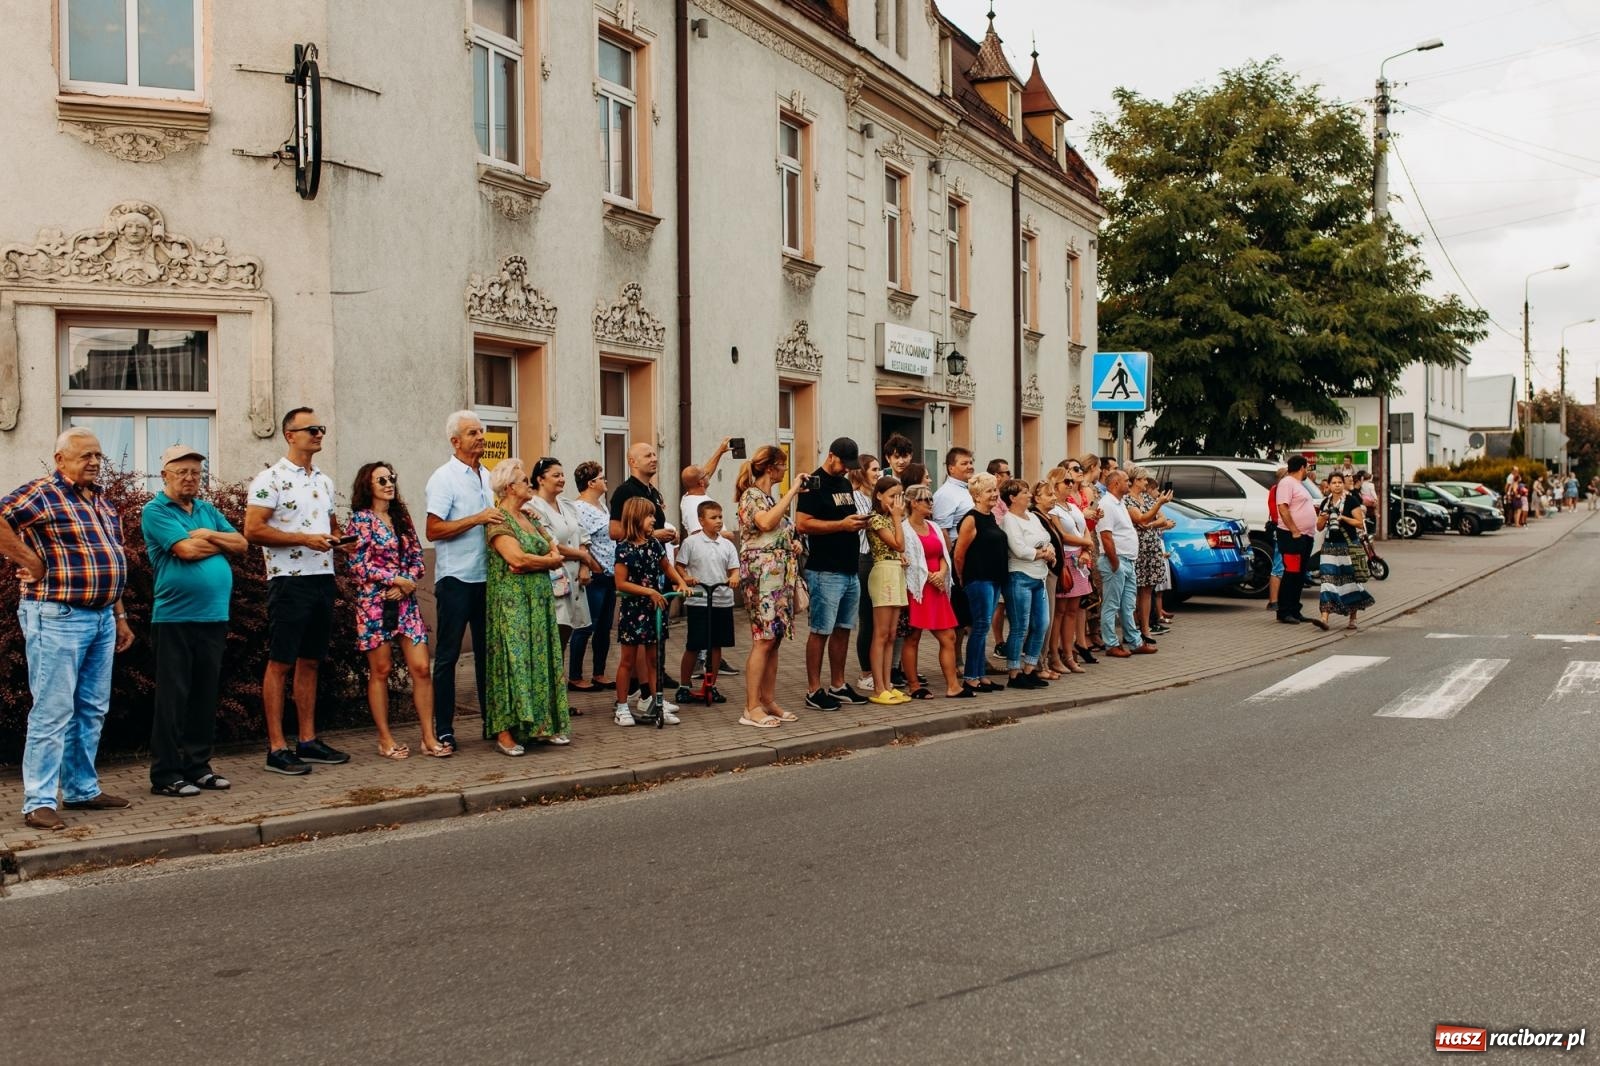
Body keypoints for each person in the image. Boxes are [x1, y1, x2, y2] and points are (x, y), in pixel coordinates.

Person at [0, 429, 135, 829]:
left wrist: (119, 614)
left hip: (100, 617)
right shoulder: (43, 493)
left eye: (97, 455)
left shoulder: (103, 504)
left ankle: (81, 789)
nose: (94, 462)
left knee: (92, 708)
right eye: (84, 456)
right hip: (56, 615)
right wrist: (30, 559)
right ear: (60, 460)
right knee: (53, 710)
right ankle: (38, 801)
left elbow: (110, 563)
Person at [244, 408, 353, 775]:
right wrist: (304, 539)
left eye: (322, 428)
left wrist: (343, 543)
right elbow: (253, 530)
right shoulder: (269, 479)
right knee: (281, 662)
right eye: (312, 429)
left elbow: (332, 527)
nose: (320, 433)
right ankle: (277, 748)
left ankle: (307, 740)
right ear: (290, 434)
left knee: (311, 660)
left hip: (322, 577)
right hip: (288, 579)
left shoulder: (323, 480)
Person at [141, 446, 248, 796]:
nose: (190, 478)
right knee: (173, 698)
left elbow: (243, 543)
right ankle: (166, 774)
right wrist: (215, 541)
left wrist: (207, 535)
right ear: (165, 476)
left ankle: (198, 767)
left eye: (196, 472)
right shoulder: (155, 511)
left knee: (204, 694)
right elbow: (185, 551)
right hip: (174, 618)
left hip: (213, 616)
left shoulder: (206, 509)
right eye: (182, 472)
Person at [347, 461, 450, 760]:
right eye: (381, 480)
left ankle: (428, 738)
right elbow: (357, 565)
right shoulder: (360, 521)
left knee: (420, 668)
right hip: (374, 604)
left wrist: (407, 582)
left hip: (405, 602)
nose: (389, 484)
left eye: (391, 478)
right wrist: (393, 579)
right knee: (381, 670)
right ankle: (384, 739)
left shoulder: (401, 517)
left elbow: (417, 557)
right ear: (368, 486)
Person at [482, 459, 572, 753]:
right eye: (524, 481)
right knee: (514, 661)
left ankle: (540, 725)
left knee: (541, 658)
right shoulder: (499, 520)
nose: (530, 485)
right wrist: (546, 562)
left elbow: (553, 545)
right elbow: (516, 559)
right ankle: (506, 732)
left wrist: (543, 560)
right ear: (510, 487)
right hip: (512, 601)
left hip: (538, 597)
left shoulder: (529, 516)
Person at [425, 411, 500, 753]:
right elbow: (433, 529)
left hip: (488, 578)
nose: (481, 438)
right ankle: (443, 729)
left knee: (488, 654)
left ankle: (492, 722)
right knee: (448, 657)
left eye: (482, 431)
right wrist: (477, 519)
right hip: (456, 578)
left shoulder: (487, 475)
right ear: (456, 441)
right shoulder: (444, 478)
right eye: (473, 433)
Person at [797, 437, 870, 711]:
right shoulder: (813, 483)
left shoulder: (844, 483)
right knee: (820, 630)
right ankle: (813, 690)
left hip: (849, 568)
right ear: (830, 456)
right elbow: (803, 524)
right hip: (825, 569)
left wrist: (861, 523)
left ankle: (837, 685)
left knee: (843, 630)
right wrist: (842, 524)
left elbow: (846, 517)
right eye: (842, 464)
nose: (845, 470)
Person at [736, 446, 805, 727]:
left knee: (773, 639)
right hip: (762, 577)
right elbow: (765, 522)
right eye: (783, 465)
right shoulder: (751, 495)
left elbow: (775, 531)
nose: (786, 470)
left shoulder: (767, 497)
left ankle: (768, 700)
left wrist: (792, 543)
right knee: (763, 639)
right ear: (771, 467)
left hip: (777, 577)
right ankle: (751, 707)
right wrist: (793, 492)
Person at [613, 497, 691, 725]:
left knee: (654, 660)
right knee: (627, 660)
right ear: (636, 518)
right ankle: (621, 707)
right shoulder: (624, 549)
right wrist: (648, 592)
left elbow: (667, 567)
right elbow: (621, 583)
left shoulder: (654, 545)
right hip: (633, 609)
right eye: (649, 516)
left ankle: (656, 702)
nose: (653, 520)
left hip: (654, 610)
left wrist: (681, 582)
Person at [526, 457, 598, 691]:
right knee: (551, 640)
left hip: (577, 579)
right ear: (540, 478)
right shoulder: (533, 507)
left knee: (564, 640)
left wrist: (585, 564)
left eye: (562, 474)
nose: (562, 479)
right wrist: (584, 557)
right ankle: (546, 696)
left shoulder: (567, 504)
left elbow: (583, 538)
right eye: (556, 475)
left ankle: (558, 697)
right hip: (554, 579)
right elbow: (551, 544)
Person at [900, 483, 964, 698]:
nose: (931, 503)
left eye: (931, 499)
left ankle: (953, 686)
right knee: (913, 638)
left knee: (949, 637)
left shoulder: (934, 526)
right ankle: (914, 685)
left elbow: (943, 554)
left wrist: (942, 573)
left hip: (938, 588)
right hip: (918, 588)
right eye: (925, 499)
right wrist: (929, 576)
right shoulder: (904, 529)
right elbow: (907, 560)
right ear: (913, 503)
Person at [675, 501, 741, 705]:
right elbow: (679, 566)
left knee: (716, 644)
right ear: (701, 520)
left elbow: (734, 568)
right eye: (713, 517)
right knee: (694, 644)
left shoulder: (727, 545)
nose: (719, 521)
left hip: (721, 599)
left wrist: (734, 577)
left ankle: (710, 684)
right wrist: (686, 577)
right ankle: (684, 686)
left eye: (720, 517)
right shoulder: (691, 543)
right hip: (700, 600)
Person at [953, 472, 1008, 694]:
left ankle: (980, 675)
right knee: (979, 627)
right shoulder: (971, 519)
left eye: (995, 489)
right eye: (989, 491)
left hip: (993, 578)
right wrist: (963, 579)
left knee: (982, 627)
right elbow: (959, 554)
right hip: (978, 579)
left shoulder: (990, 516)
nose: (994, 494)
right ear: (976, 495)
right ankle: (970, 677)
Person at [998, 480, 1053, 688]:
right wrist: (1042, 553)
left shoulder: (1031, 516)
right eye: (1024, 492)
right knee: (1020, 626)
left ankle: (1030, 668)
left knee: (1041, 623)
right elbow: (1019, 550)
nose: (1029, 495)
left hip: (1039, 576)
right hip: (1019, 576)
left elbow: (1046, 538)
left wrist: (1049, 551)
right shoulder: (1009, 520)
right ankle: (1014, 671)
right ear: (1012, 498)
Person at [568, 461, 616, 692]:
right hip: (596, 574)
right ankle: (575, 675)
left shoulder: (602, 506)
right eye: (601, 477)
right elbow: (582, 540)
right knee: (586, 625)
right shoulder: (580, 508)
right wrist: (591, 566)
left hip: (610, 573)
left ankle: (599, 672)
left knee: (604, 626)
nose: (605, 481)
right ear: (591, 483)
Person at [1096, 469, 1154, 657]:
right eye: (1126, 481)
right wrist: (1115, 564)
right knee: (1111, 604)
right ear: (1115, 484)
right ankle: (1111, 644)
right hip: (1117, 561)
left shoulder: (1119, 503)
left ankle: (1134, 640)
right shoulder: (1106, 504)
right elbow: (1106, 536)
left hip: (1127, 560)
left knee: (1128, 604)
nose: (1129, 484)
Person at [865, 474, 909, 705]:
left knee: (892, 634)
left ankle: (888, 683)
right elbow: (898, 544)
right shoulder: (876, 519)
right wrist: (898, 518)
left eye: (900, 496)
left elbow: (900, 550)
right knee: (881, 633)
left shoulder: (891, 518)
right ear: (879, 495)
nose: (896, 501)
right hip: (883, 573)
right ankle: (878, 686)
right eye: (892, 496)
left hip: (896, 571)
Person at [1043, 476, 1091, 674]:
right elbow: (1061, 535)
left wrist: (1086, 548)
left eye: (1072, 482)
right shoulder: (1054, 510)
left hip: (1079, 557)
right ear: (1055, 485)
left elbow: (1085, 528)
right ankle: (1054, 654)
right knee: (1059, 612)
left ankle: (1069, 654)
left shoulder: (1071, 506)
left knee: (1073, 609)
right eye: (1066, 482)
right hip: (1066, 558)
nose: (1071, 485)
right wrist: (1085, 543)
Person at [1316, 471, 1375, 631]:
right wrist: (1323, 517)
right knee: (1327, 581)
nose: (1336, 485)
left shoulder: (1351, 501)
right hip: (1329, 547)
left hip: (1347, 546)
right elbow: (1319, 527)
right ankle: (1324, 618)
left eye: (1339, 482)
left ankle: (1353, 618)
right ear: (1328, 485)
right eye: (1333, 483)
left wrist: (1343, 518)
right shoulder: (1325, 503)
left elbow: (1359, 523)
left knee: (1349, 582)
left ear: (1343, 484)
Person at [1273, 455, 1325, 629]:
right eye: (1307, 468)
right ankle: (1285, 611)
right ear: (1302, 467)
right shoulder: (1287, 483)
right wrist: (1294, 530)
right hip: (1291, 535)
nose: (1307, 471)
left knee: (1300, 574)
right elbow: (1283, 507)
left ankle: (1295, 609)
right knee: (1292, 572)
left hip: (1305, 536)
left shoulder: (1299, 485)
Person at [1126, 468, 1174, 647]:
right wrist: (1153, 519)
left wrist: (1151, 523)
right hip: (1138, 548)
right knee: (1134, 590)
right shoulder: (1127, 499)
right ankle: (1133, 628)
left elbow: (1162, 519)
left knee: (1148, 589)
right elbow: (1141, 519)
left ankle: (1145, 628)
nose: (1146, 483)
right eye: (1143, 479)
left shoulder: (1146, 498)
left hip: (1152, 547)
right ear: (1135, 480)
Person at [849, 453, 883, 691]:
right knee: (867, 618)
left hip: (879, 559)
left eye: (879, 470)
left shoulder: (875, 498)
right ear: (861, 473)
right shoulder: (854, 498)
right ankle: (865, 672)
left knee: (880, 619)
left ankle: (881, 668)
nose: (878, 474)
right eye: (874, 470)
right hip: (862, 558)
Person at [609, 442, 674, 544]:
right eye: (648, 456)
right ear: (633, 462)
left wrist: (671, 535)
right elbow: (615, 531)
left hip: (657, 557)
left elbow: (657, 526)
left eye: (654, 455)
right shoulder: (625, 491)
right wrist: (653, 535)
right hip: (635, 558)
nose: (654, 459)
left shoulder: (653, 491)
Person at [678, 437, 733, 536]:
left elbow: (707, 471)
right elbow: (698, 534)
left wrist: (720, 451)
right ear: (701, 483)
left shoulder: (692, 495)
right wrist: (727, 535)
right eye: (705, 474)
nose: (708, 474)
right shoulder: (694, 505)